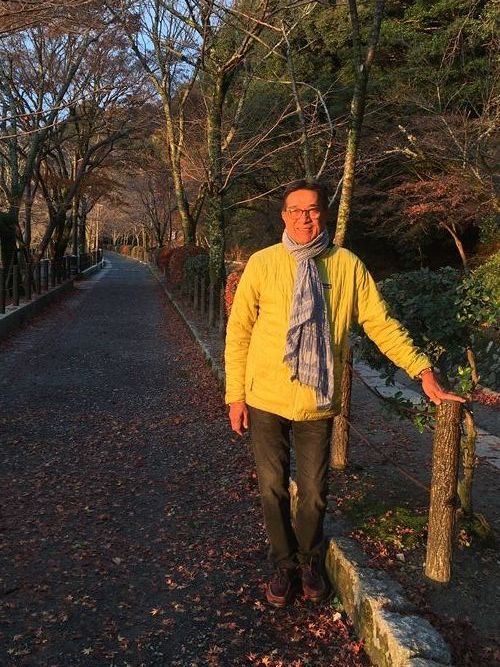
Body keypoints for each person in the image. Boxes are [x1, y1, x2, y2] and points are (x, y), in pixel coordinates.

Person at [224, 179, 465, 608]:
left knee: (314, 492)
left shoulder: (346, 266)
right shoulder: (262, 264)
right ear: (284, 216)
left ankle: (310, 561)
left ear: (323, 214)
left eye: (312, 210)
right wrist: (235, 396)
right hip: (265, 397)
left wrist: (422, 371)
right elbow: (239, 332)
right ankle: (284, 564)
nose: (304, 218)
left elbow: (380, 324)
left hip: (316, 399)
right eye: (295, 210)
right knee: (272, 487)